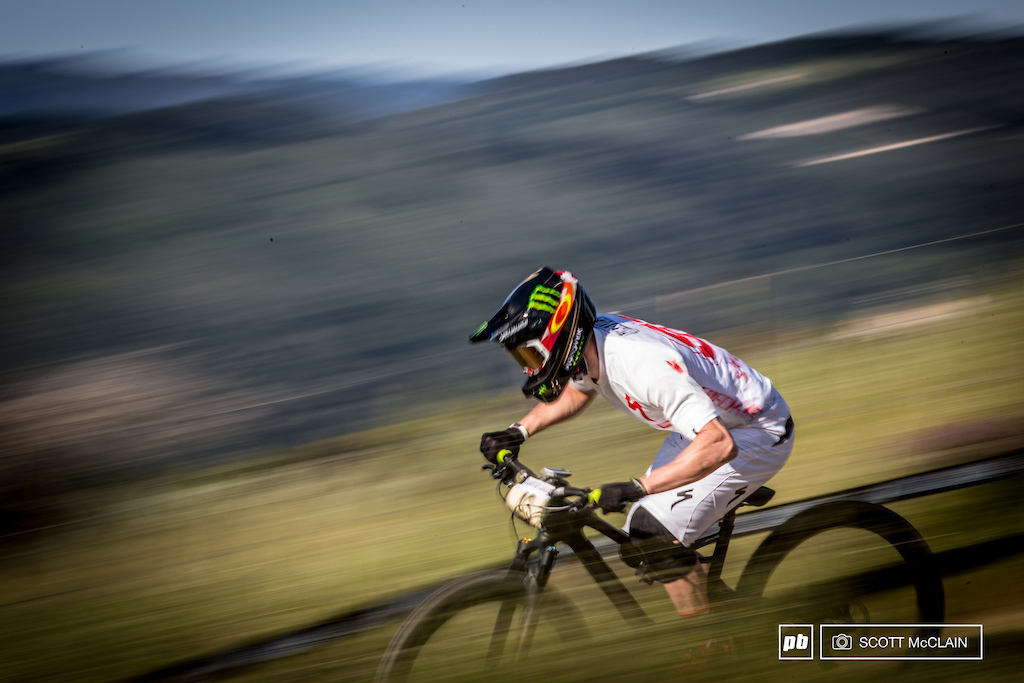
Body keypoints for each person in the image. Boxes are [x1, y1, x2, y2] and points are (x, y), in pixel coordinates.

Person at [470, 267, 794, 618]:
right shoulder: (590, 344)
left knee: (649, 532)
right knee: (640, 545)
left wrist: (637, 487)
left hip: (754, 431)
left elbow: (718, 444)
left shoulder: (641, 365)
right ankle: (723, 612)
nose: (528, 370)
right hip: (706, 427)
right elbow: (580, 388)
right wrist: (518, 431)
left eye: (530, 356)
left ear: (557, 336)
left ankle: (708, 647)